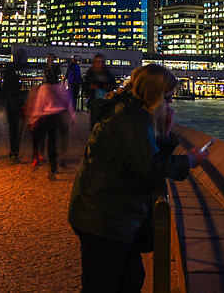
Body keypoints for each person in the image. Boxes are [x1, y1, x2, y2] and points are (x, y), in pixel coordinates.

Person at [68, 64, 209, 292]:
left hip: (111, 216)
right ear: (153, 96)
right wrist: (190, 161)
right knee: (106, 285)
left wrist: (164, 133)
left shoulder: (132, 113)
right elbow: (150, 166)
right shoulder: (129, 119)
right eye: (167, 98)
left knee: (131, 279)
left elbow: (144, 154)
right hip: (105, 219)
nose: (170, 103)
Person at [25, 74, 75, 178]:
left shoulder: (44, 88)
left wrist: (33, 119)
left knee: (51, 143)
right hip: (59, 115)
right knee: (61, 140)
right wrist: (72, 116)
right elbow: (67, 102)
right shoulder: (61, 87)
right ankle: (60, 159)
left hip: (48, 116)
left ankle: (52, 168)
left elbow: (39, 105)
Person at [1, 48, 28, 163]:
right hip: (17, 102)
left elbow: (4, 88)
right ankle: (15, 152)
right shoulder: (19, 69)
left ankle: (13, 151)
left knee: (13, 128)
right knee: (17, 129)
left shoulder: (9, 68)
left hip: (10, 102)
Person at [83, 54, 117, 119]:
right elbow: (85, 86)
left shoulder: (107, 74)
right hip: (94, 100)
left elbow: (114, 86)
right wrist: (91, 87)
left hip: (105, 101)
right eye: (96, 62)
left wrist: (107, 87)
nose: (98, 64)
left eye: (100, 62)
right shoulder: (90, 73)